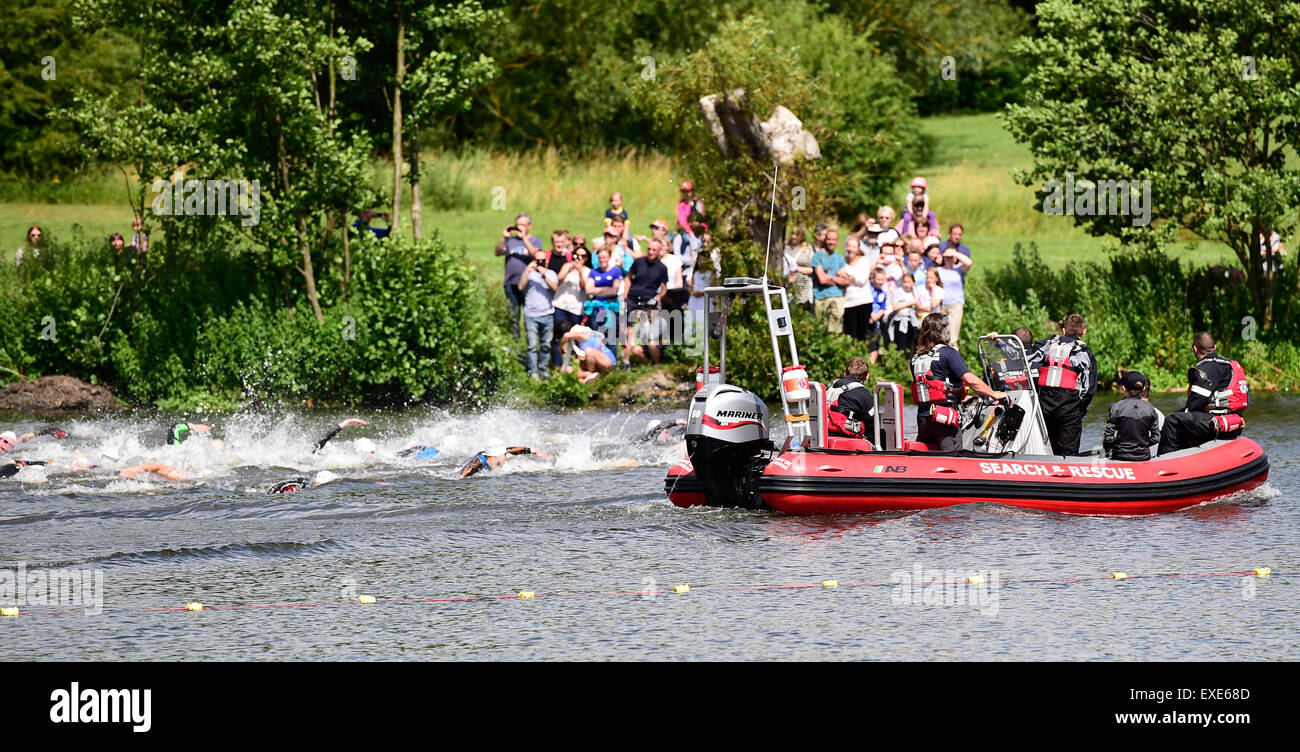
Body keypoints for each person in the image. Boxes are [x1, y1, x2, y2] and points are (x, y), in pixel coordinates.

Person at [910, 313, 1006, 451]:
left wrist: (962, 397)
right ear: (943, 330)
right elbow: (970, 380)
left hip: (923, 418)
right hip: (944, 418)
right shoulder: (948, 353)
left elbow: (932, 384)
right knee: (952, 458)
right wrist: (995, 394)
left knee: (928, 457)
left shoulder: (916, 358)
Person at [1158, 332, 1250, 455]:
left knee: (1172, 420)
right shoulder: (1227, 365)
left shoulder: (1204, 370)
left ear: (1195, 349)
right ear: (1215, 348)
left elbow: (1194, 406)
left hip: (1216, 423)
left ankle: (1164, 462)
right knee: (1180, 416)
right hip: (1233, 422)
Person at [1026, 314, 1099, 455]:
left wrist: (1001, 343)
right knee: (1068, 452)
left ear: (1064, 331)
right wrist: (1080, 410)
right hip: (1069, 407)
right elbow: (1089, 387)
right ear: (1084, 332)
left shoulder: (1048, 343)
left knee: (1044, 450)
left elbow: (1026, 358)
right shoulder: (1084, 351)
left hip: (1044, 405)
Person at [621, 238, 669, 367]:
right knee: (628, 331)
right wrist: (626, 294)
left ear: (659, 251)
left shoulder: (662, 268)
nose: (651, 252)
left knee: (648, 333)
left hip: (648, 303)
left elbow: (664, 288)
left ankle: (654, 363)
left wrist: (658, 298)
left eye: (654, 250)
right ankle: (625, 362)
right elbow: (628, 277)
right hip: (632, 299)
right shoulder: (638, 262)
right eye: (649, 249)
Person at [495, 213, 543, 339]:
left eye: (523, 224)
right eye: (518, 224)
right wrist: (504, 238)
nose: (520, 227)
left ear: (529, 226)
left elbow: (536, 255)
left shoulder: (535, 241)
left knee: (530, 316)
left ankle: (531, 343)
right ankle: (515, 344)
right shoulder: (510, 241)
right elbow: (498, 252)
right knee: (513, 316)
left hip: (529, 284)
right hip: (511, 283)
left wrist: (524, 239)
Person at [518, 246, 559, 379]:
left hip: (547, 314)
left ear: (546, 261)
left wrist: (543, 274)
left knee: (546, 345)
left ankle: (543, 369)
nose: (540, 262)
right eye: (537, 260)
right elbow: (520, 286)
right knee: (532, 345)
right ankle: (533, 372)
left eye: (542, 260)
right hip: (531, 315)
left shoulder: (551, 273)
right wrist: (527, 270)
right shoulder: (528, 273)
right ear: (533, 260)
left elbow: (555, 288)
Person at [1103, 370, 1161, 462]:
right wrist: (1143, 445)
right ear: (1142, 389)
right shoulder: (1150, 408)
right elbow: (1156, 438)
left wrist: (1120, 446)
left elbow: (1108, 437)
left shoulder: (1116, 407)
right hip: (1143, 457)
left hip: (1120, 456)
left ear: (1124, 388)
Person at [552, 245, 590, 368]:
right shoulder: (567, 266)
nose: (579, 258)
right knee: (558, 335)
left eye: (582, 256)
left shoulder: (587, 271)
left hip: (576, 308)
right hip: (561, 305)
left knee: (574, 336)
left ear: (586, 258)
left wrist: (579, 271)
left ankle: (573, 364)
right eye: (576, 255)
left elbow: (585, 288)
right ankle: (557, 364)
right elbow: (558, 279)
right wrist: (569, 269)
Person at [584, 246, 624, 361]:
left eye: (604, 257)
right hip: (596, 309)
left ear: (609, 257)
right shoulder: (594, 272)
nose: (602, 260)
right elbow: (588, 289)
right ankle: (600, 363)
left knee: (610, 339)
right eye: (600, 257)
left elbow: (614, 290)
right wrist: (607, 289)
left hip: (610, 308)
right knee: (597, 337)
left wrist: (598, 290)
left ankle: (613, 365)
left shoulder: (616, 271)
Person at [825, 357, 875, 440]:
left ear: (845, 374)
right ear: (867, 376)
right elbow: (872, 425)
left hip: (822, 437)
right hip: (847, 440)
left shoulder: (831, 387)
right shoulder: (865, 394)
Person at [811, 228, 847, 334]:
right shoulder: (818, 256)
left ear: (837, 241)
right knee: (821, 329)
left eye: (834, 239)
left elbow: (845, 281)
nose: (831, 242)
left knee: (836, 330)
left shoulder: (840, 258)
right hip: (821, 296)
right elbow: (822, 279)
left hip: (837, 296)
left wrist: (830, 277)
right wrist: (837, 278)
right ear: (825, 240)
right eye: (829, 239)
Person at [935, 243, 972, 345]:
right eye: (947, 257)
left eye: (951, 257)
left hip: (955, 305)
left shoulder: (959, 270)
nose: (949, 259)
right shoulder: (938, 270)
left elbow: (969, 263)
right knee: (940, 335)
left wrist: (954, 253)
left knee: (953, 337)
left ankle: (953, 357)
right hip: (941, 305)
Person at [839, 239, 873, 340]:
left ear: (858, 248)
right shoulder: (843, 261)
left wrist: (847, 274)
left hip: (863, 301)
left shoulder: (863, 261)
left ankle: (861, 355)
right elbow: (840, 278)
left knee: (862, 334)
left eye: (853, 247)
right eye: (849, 246)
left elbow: (862, 280)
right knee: (850, 335)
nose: (850, 249)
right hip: (848, 302)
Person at [459, 446, 553, 479]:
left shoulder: (499, 455)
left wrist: (535, 451)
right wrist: (462, 477)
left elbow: (517, 449)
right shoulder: (479, 463)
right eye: (504, 455)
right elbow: (463, 475)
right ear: (495, 456)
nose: (506, 458)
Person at [888, 272, 922, 351]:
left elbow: (918, 306)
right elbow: (895, 307)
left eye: (908, 282)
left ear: (913, 283)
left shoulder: (915, 292)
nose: (906, 284)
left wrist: (916, 303)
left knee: (911, 344)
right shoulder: (899, 291)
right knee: (901, 344)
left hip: (912, 320)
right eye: (904, 282)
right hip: (900, 320)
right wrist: (908, 303)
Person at [784, 227, 815, 312]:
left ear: (801, 236)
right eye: (792, 234)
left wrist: (797, 268)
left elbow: (813, 270)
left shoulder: (807, 249)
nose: (794, 237)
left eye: (797, 234)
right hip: (789, 288)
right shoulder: (786, 248)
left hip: (804, 288)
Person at [0, 427, 67, 453]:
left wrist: (45, 431)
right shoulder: (14, 446)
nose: (4, 445)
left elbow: (24, 438)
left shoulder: (14, 447)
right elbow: (24, 438)